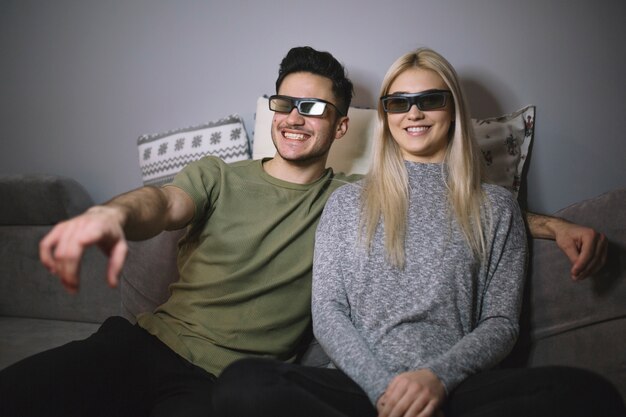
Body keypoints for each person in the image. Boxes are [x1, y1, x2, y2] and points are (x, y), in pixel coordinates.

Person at [0, 46, 611, 417]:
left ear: (342, 128)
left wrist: (548, 222)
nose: (296, 118)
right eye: (285, 104)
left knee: (585, 397)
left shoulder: (356, 199)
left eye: (316, 108)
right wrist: (112, 214)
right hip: (143, 347)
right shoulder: (230, 177)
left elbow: (454, 213)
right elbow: (161, 202)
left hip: (225, 387)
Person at [212, 48, 625, 417]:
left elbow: (500, 323)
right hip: (359, 389)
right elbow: (329, 315)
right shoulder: (345, 203)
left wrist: (435, 381)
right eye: (398, 103)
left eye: (429, 100)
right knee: (244, 385)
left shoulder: (497, 208)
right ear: (386, 114)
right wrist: (385, 394)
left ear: (453, 110)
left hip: (456, 388)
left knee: (588, 394)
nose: (413, 113)